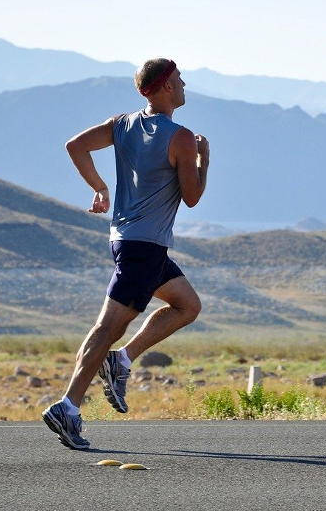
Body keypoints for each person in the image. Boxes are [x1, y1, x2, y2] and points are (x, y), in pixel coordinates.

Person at [42, 58, 209, 449]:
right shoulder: (181, 138)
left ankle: (122, 360)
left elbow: (76, 145)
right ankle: (68, 406)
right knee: (107, 327)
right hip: (144, 247)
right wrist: (204, 159)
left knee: (187, 305)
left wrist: (100, 187)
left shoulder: (122, 124)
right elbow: (192, 197)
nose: (185, 86)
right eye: (180, 81)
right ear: (166, 86)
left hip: (129, 241)